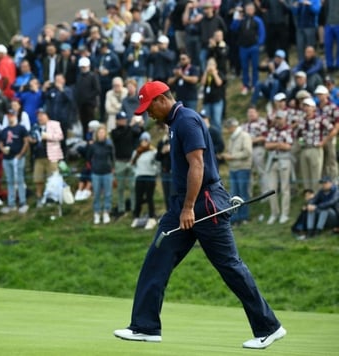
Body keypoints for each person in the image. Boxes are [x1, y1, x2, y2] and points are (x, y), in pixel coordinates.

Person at [114, 81, 286, 349]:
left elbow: (198, 165)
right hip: (183, 205)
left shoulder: (187, 121)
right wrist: (182, 207)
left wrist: (188, 207)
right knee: (156, 258)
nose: (148, 113)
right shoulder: (174, 124)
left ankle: (269, 327)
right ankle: (145, 327)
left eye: (149, 107)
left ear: (161, 99)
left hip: (203, 205)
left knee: (230, 267)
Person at [219, 118, 253, 226]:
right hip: (233, 169)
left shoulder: (245, 136)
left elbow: (247, 152)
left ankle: (244, 217)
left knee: (243, 194)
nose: (228, 130)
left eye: (228, 128)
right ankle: (235, 218)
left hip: (243, 168)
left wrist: (232, 157)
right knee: (234, 195)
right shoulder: (232, 138)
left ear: (233, 127)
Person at [28, 109, 64, 207]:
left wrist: (46, 136)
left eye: (42, 115)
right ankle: (39, 198)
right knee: (38, 178)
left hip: (52, 156)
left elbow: (60, 136)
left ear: (47, 115)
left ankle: (53, 199)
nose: (40, 117)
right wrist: (31, 140)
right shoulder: (35, 126)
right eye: (38, 115)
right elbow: (30, 137)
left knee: (53, 178)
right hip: (38, 156)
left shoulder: (54, 124)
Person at [112, 111, 144, 219]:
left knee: (133, 186)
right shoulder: (114, 132)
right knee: (120, 187)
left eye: (124, 119)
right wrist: (130, 125)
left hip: (130, 161)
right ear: (117, 121)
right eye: (121, 120)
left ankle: (134, 209)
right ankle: (121, 209)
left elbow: (139, 134)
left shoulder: (130, 130)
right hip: (119, 162)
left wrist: (140, 125)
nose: (123, 121)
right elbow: (119, 136)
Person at [230, 1, 265, 96]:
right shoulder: (241, 19)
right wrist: (237, 20)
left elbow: (262, 32)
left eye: (251, 9)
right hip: (243, 47)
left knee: (254, 67)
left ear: (254, 10)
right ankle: (245, 85)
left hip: (253, 46)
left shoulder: (257, 20)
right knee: (244, 67)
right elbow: (233, 29)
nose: (249, 11)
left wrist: (259, 44)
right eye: (248, 9)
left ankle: (255, 85)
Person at [265, 110, 294, 225]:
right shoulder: (272, 130)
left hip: (284, 160)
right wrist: (278, 144)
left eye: (280, 118)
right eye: (277, 118)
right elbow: (267, 145)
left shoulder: (289, 130)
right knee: (272, 188)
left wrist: (276, 144)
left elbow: (288, 146)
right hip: (273, 161)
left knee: (285, 189)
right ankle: (274, 213)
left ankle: (284, 214)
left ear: (285, 119)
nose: (278, 120)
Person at [0, 109, 30, 214]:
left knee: (20, 180)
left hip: (18, 157)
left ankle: (23, 202)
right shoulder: (4, 130)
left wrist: (20, 155)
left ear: (15, 115)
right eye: (9, 115)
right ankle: (11, 203)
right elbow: (0, 143)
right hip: (7, 158)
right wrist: (2, 149)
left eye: (12, 115)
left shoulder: (21, 128)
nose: (10, 117)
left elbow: (26, 143)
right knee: (10, 181)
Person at [87, 125, 116, 224]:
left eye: (103, 133)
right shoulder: (93, 146)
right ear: (97, 134)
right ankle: (97, 213)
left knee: (108, 194)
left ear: (106, 134)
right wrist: (92, 167)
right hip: (96, 173)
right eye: (99, 133)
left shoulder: (109, 145)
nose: (101, 134)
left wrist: (112, 168)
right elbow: (88, 158)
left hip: (107, 172)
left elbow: (112, 158)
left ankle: (106, 212)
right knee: (97, 194)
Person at [130, 131, 158, 229]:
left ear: (149, 141)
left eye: (146, 140)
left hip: (150, 177)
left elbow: (157, 164)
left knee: (149, 198)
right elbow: (132, 164)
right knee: (138, 198)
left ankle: (151, 218)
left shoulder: (153, 152)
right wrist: (136, 172)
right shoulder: (136, 152)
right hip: (139, 177)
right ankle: (136, 217)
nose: (144, 142)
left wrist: (154, 172)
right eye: (143, 140)